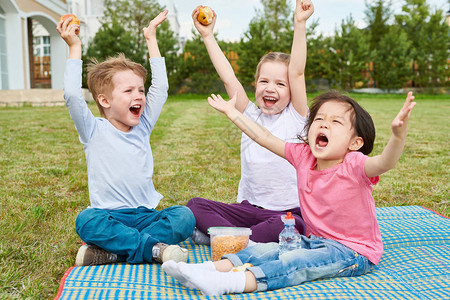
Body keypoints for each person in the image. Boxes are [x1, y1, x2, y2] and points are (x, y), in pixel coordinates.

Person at [162, 88, 417, 295]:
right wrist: (233, 113)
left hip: (353, 251)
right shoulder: (303, 156)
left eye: (335, 121)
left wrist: (398, 136)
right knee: (264, 250)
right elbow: (263, 136)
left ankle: (230, 284)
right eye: (319, 119)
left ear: (355, 143)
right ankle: (209, 270)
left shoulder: (354, 164)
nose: (324, 124)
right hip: (315, 240)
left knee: (294, 264)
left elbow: (385, 162)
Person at [56, 10, 195, 266]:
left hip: (145, 216)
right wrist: (74, 47)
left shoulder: (143, 125)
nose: (139, 96)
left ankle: (114, 253)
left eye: (141, 90)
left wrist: (151, 39)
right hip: (108, 216)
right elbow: (73, 96)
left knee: (184, 217)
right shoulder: (93, 130)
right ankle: (155, 249)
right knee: (86, 221)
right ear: (105, 100)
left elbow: (161, 88)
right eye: (129, 90)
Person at [187, 0, 315, 245]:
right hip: (248, 211)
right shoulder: (249, 114)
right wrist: (207, 36)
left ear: (291, 90)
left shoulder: (297, 116)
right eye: (264, 81)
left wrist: (299, 24)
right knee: (194, 206)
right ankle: (240, 240)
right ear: (255, 84)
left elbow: (297, 72)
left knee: (290, 225)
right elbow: (228, 77)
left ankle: (225, 239)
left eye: (280, 83)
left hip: (286, 213)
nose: (270, 88)